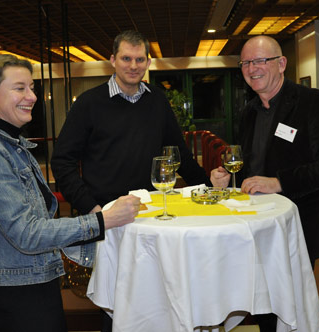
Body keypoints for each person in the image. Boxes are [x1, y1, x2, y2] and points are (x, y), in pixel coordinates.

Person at [0, 54, 141, 332]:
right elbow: (27, 234)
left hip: (34, 282)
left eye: (31, 87)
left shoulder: (14, 146)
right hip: (16, 292)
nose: (32, 96)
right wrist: (104, 221)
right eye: (19, 88)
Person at [51, 30, 210, 332]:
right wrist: (93, 209)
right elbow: (62, 161)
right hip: (108, 221)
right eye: (126, 58)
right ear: (112, 60)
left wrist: (211, 188)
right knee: (114, 300)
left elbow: (180, 156)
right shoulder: (89, 103)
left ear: (148, 61)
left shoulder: (158, 101)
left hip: (149, 220)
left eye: (139, 59)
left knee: (155, 294)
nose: (133, 65)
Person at [211, 35, 319, 331]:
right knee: (262, 304)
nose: (252, 68)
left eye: (261, 60)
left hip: (298, 224)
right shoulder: (248, 112)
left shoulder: (310, 103)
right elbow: (252, 165)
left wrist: (279, 183)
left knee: (290, 305)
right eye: (246, 62)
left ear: (282, 63)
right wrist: (228, 176)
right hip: (256, 225)